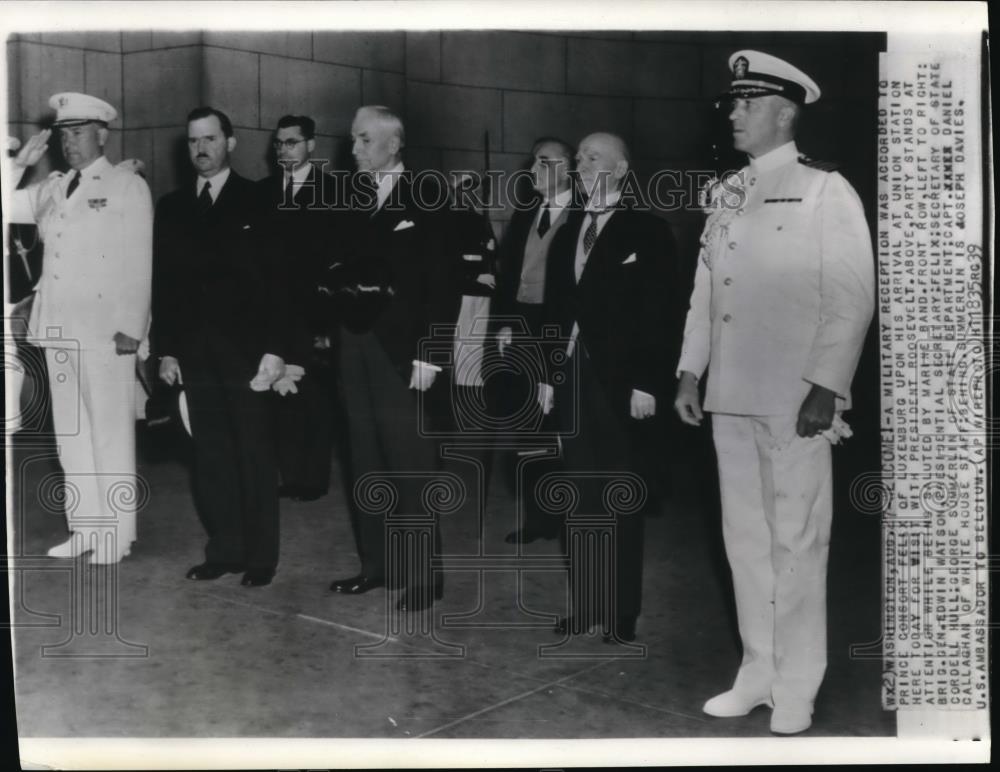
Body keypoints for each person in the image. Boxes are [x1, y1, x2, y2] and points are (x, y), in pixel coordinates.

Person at [674, 51, 875, 735]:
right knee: (746, 543)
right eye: (732, 102)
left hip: (795, 399)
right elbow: (708, 290)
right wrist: (690, 370)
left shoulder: (826, 190)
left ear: (783, 111)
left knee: (797, 542)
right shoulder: (727, 191)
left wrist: (826, 385)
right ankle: (757, 671)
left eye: (746, 102)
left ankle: (797, 686)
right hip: (730, 395)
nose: (731, 112)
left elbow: (851, 297)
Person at [538, 132, 677, 643]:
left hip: (622, 383)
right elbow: (554, 311)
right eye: (578, 158)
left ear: (620, 170)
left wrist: (647, 383)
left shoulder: (648, 231)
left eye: (592, 157)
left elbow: (661, 316)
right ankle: (588, 603)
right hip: (570, 376)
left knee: (620, 496)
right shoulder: (567, 228)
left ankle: (622, 609)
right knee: (579, 497)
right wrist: (546, 377)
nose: (580, 165)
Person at [153, 106, 296, 588]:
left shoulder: (260, 200)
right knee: (209, 454)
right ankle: (225, 549)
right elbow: (165, 286)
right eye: (193, 141)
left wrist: (277, 349)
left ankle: (260, 558)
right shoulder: (172, 208)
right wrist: (167, 350)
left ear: (230, 143)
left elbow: (282, 283)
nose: (201, 149)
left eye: (210, 139)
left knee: (254, 453)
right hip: (194, 351)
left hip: (248, 353)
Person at [9, 92, 152, 564]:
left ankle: (118, 534)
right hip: (59, 329)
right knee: (70, 435)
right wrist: (16, 164)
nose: (69, 142)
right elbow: (6, 207)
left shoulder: (125, 185)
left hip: (106, 332)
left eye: (78, 132)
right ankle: (86, 527)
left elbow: (139, 261)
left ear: (103, 134)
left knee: (110, 434)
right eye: (63, 134)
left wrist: (133, 326)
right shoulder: (53, 186)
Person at [328, 105, 459, 612]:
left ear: (393, 144)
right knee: (365, 461)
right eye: (354, 140)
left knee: (411, 464)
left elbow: (444, 285)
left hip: (404, 352)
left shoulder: (429, 197)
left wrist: (432, 356)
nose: (354, 150)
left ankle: (426, 575)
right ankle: (377, 566)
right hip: (354, 345)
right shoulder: (349, 197)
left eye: (363, 140)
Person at [492, 137, 577, 545]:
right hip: (524, 326)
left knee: (565, 423)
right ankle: (540, 519)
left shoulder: (581, 217)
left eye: (544, 162)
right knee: (530, 425)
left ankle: (572, 515)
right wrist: (506, 322)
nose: (532, 171)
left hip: (561, 328)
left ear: (567, 168)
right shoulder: (526, 213)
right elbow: (508, 273)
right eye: (533, 162)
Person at [257, 114, 343, 502]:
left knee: (317, 397)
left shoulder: (334, 191)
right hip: (273, 309)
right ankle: (290, 474)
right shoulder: (263, 192)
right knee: (280, 392)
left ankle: (314, 477)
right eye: (279, 143)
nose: (283, 150)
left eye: (291, 142)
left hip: (317, 311)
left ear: (311, 145)